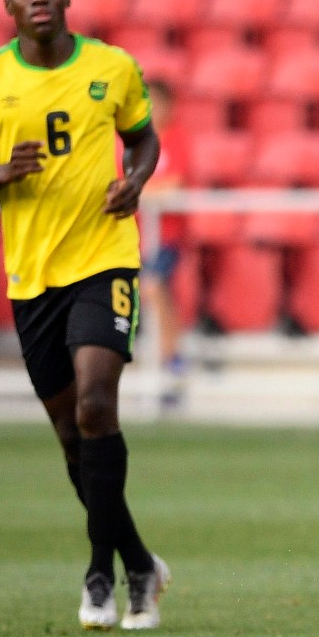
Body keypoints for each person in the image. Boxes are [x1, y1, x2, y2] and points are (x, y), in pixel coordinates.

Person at [0, 0, 170, 630]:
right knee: (73, 438)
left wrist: (135, 180)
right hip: (32, 275)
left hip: (105, 259)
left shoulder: (111, 67)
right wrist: (0, 173)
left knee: (97, 405)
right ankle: (138, 561)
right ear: (9, 5)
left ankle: (102, 574)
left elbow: (145, 138)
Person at [136, 79, 190, 398]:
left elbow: (174, 185)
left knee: (154, 286)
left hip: (166, 236)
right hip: (132, 236)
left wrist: (140, 190)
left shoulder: (176, 140)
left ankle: (172, 360)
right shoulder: (131, 143)